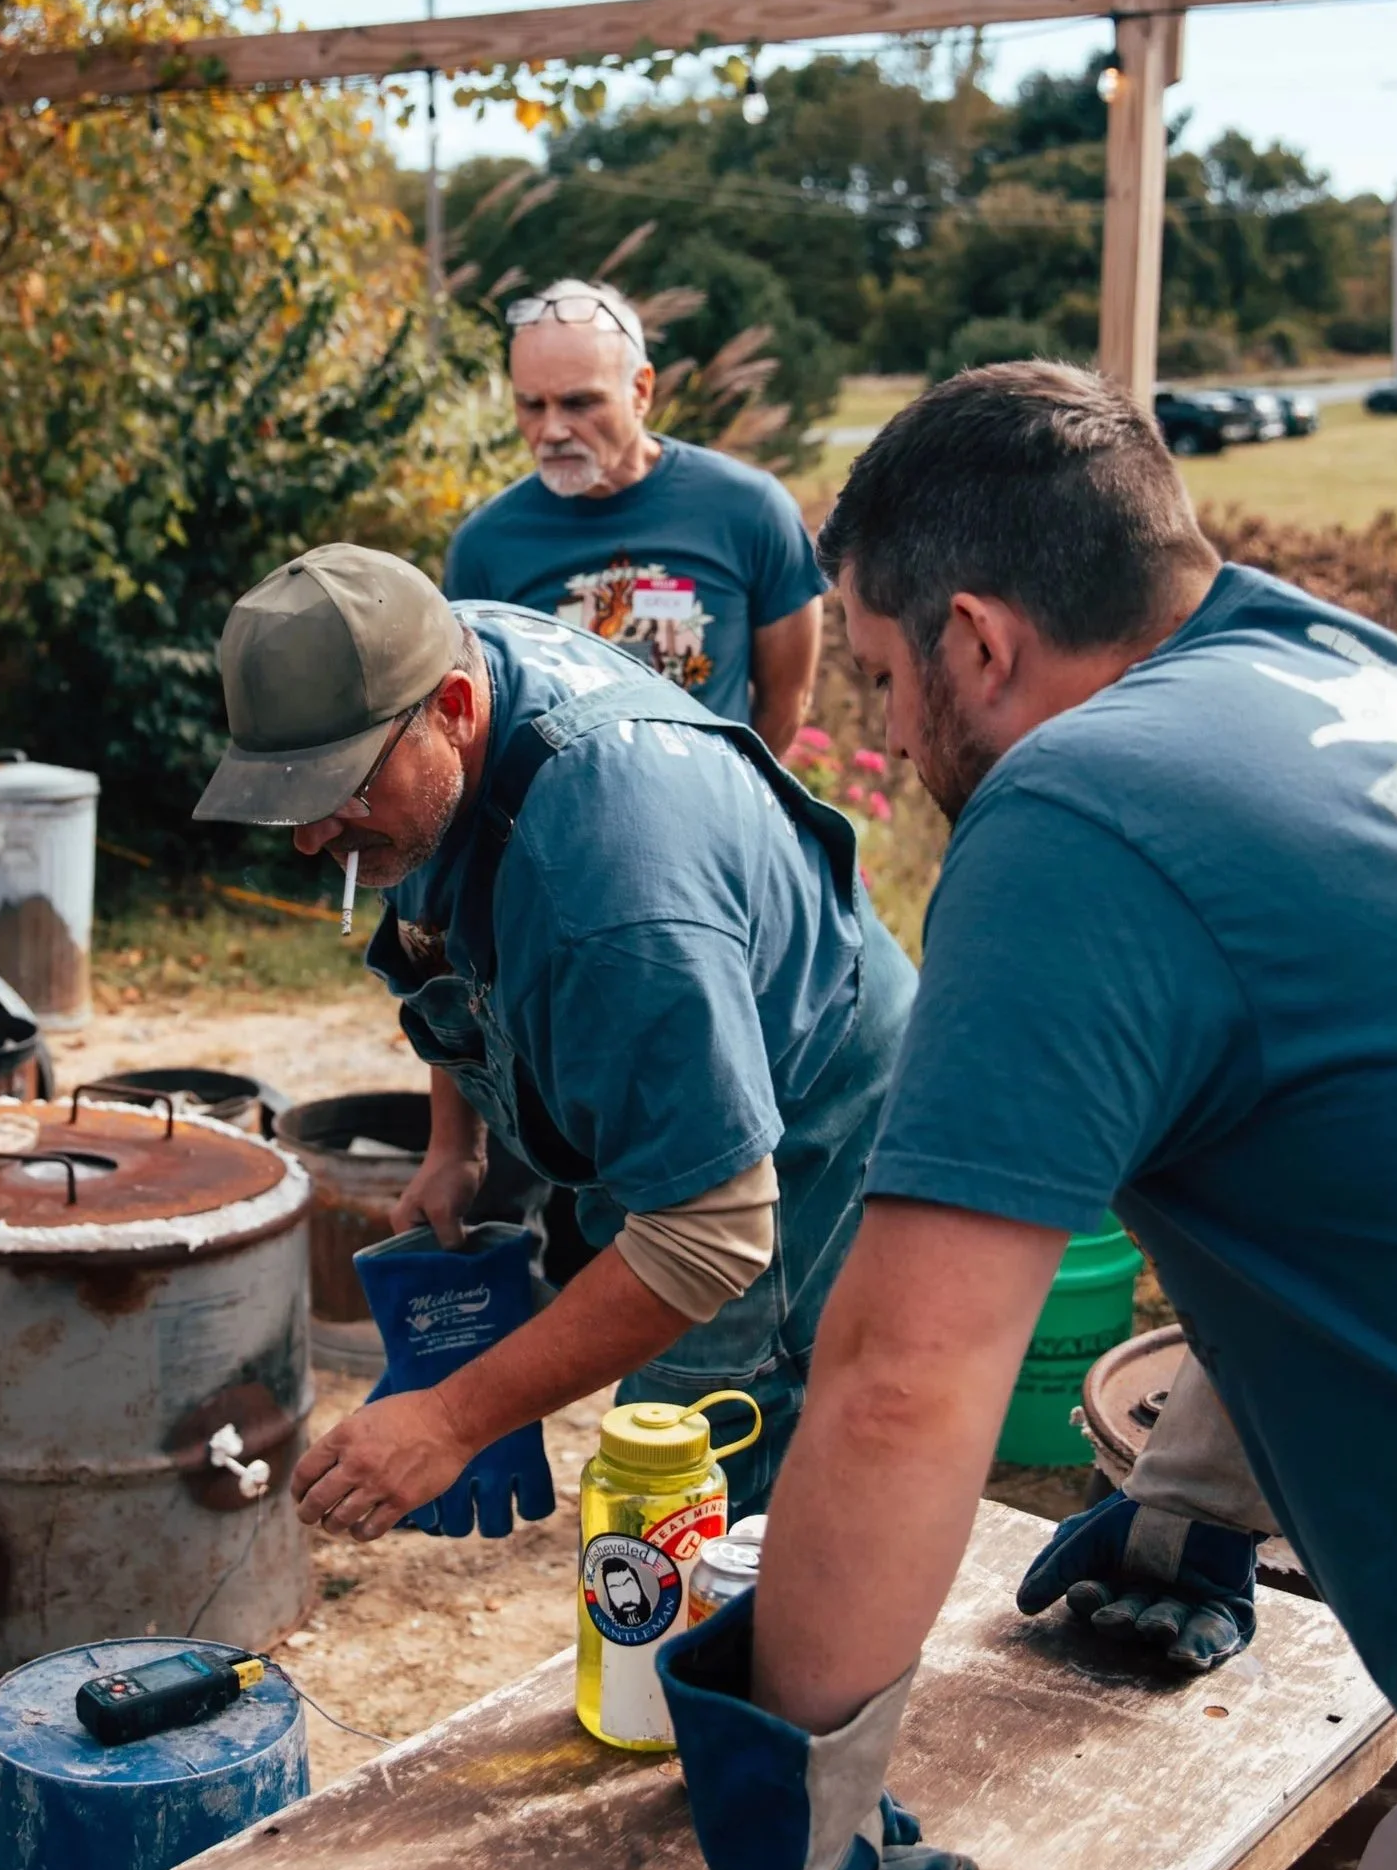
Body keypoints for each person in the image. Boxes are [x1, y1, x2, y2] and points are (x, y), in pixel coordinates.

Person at [657, 361, 1397, 1870]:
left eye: (888, 677)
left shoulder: (1081, 805)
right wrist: (1198, 1500)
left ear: (979, 641)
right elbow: (1361, 1180)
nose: (889, 737)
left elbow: (904, 1384)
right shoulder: (1344, 674)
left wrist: (802, 1798)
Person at [191, 543, 914, 1533]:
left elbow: (710, 1232)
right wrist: (457, 1147)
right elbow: (445, 928)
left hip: (806, 1117)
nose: (313, 837)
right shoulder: (433, 682)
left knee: (695, 1471)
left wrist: (448, 1419)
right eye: (290, 798)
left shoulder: (614, 888)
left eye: (339, 789)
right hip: (673, 1019)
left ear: (454, 708)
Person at [443, 278, 824, 757]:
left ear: (641, 391)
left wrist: (736, 786)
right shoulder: (485, 546)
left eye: (579, 402)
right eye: (532, 405)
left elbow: (787, 700)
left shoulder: (749, 510)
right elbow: (474, 728)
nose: (552, 429)